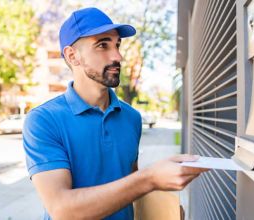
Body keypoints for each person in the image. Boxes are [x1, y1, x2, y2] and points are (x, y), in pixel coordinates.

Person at [23, 7, 207, 220]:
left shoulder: (132, 118)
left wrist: (166, 210)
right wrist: (150, 178)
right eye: (103, 45)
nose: (117, 56)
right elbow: (62, 209)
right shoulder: (43, 120)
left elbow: (130, 184)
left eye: (117, 44)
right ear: (72, 56)